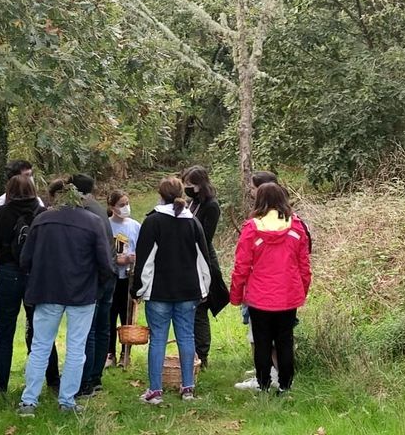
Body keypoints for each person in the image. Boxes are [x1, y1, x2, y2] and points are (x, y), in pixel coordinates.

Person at [16, 183, 114, 416]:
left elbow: (25, 259)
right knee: (76, 348)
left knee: (40, 346)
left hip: (47, 290)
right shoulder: (93, 222)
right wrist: (97, 287)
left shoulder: (41, 221)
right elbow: (105, 263)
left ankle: (29, 400)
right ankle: (67, 401)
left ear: (54, 198)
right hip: (82, 293)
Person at [131, 176, 218, 405]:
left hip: (159, 292)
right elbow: (203, 258)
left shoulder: (153, 221)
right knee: (186, 337)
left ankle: (155, 391)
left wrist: (137, 289)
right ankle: (188, 388)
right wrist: (205, 287)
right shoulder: (193, 222)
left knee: (158, 339)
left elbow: (145, 260)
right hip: (189, 292)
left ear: (160, 194)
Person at [229, 183, 312, 394]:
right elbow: (304, 264)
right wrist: (302, 289)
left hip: (260, 296)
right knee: (285, 340)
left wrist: (237, 295)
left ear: (259, 200)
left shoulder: (251, 227)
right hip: (288, 294)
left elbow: (242, 266)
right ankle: (285, 385)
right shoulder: (296, 227)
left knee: (262, 341)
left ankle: (263, 384)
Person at [0, 175, 58, 395]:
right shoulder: (43, 214)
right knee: (41, 329)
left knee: (5, 329)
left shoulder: (1, 213)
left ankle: (0, 385)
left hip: (8, 272)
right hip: (36, 274)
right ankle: (53, 379)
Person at [72, 173, 116, 397]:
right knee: (102, 328)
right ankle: (96, 377)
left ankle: (86, 380)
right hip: (109, 273)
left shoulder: (84, 211)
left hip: (96, 277)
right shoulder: (96, 207)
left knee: (89, 330)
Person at [181, 165, 221, 367]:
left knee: (200, 309)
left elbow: (206, 236)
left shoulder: (211, 206)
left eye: (191, 184)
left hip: (202, 260)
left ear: (200, 184)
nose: (187, 188)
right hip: (188, 259)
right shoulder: (192, 202)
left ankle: (202, 355)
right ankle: (192, 352)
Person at [106, 190, 140, 366]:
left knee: (127, 316)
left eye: (127, 203)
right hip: (111, 278)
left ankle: (125, 353)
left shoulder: (135, 226)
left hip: (129, 277)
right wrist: (116, 259)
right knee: (109, 316)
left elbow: (141, 249)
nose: (126, 207)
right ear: (112, 207)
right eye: (121, 205)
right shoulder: (105, 225)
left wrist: (133, 259)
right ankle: (109, 353)